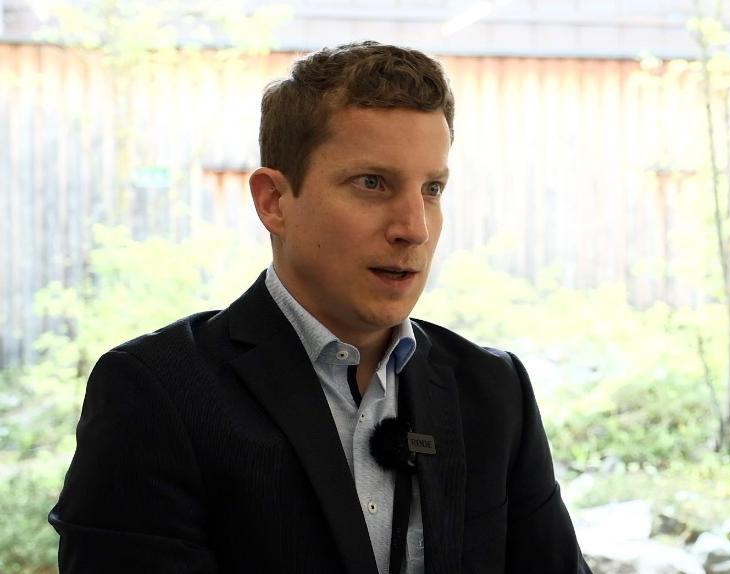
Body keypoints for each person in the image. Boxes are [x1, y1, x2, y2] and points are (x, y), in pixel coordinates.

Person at [49, 41, 591, 573]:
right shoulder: (156, 393)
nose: (414, 228)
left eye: (432, 189)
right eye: (372, 183)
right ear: (274, 202)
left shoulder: (493, 391)